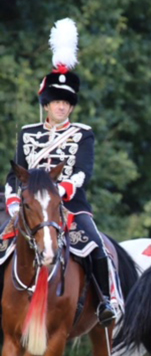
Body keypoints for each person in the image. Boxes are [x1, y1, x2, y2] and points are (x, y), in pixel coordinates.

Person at [4, 18, 115, 326]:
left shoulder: (83, 133)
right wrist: (13, 201)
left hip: (69, 203)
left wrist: (65, 189)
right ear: (47, 104)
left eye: (66, 103)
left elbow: (84, 171)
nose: (61, 107)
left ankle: (105, 302)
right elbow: (15, 173)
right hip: (28, 205)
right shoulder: (27, 133)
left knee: (95, 247)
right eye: (56, 102)